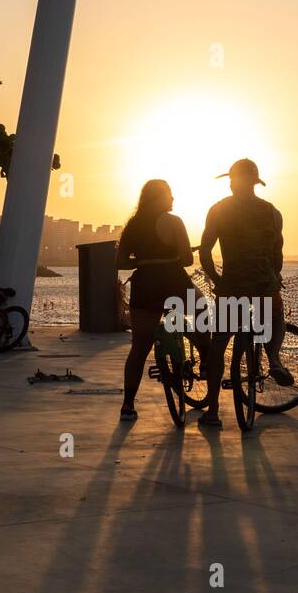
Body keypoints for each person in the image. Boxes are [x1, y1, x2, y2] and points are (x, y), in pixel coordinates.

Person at [198, 159, 293, 429]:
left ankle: (213, 409)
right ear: (255, 182)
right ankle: (273, 358)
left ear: (232, 181)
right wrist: (273, 277)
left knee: (219, 343)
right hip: (264, 284)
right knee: (275, 318)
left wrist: (217, 279)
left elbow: (205, 251)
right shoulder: (272, 212)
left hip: (233, 285)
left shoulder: (219, 210)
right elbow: (278, 254)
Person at [115, 180, 202, 422]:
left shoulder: (132, 226)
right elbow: (186, 259)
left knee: (139, 348)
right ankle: (205, 359)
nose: (173, 200)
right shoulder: (173, 222)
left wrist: (144, 261)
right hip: (173, 282)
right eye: (170, 195)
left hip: (144, 286)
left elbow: (120, 263)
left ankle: (128, 404)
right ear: (160, 198)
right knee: (202, 313)